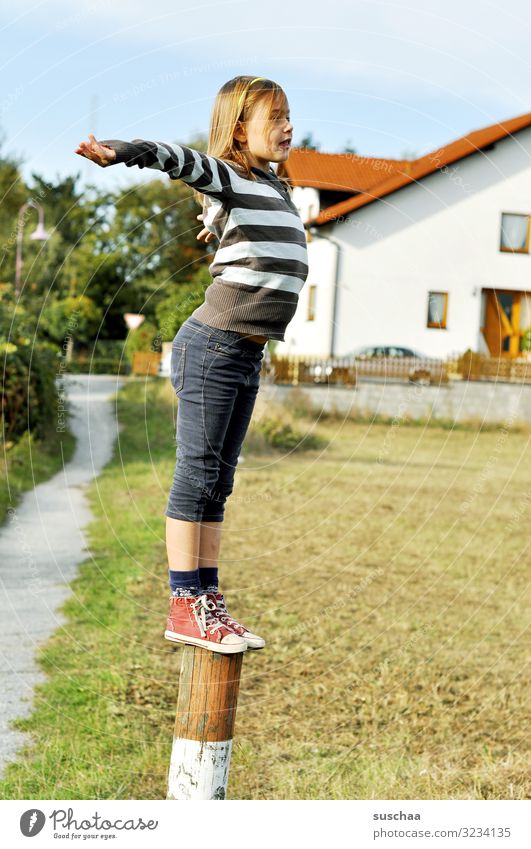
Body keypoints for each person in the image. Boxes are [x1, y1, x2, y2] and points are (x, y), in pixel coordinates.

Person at [75, 75, 308, 655]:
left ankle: (208, 600)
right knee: (198, 475)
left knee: (219, 483)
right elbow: (179, 159)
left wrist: (216, 218)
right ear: (237, 129)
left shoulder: (273, 187)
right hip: (215, 344)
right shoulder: (228, 173)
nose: (288, 127)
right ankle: (185, 604)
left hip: (246, 352)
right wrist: (122, 153)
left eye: (289, 116)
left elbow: (239, 218)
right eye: (274, 117)